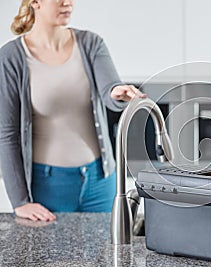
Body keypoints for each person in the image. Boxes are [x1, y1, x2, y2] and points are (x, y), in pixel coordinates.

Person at [0, 0, 146, 221]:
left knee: (106, 254)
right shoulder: (11, 56)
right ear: (35, 2)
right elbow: (7, 134)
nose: (67, 2)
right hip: (47, 186)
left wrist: (119, 93)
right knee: (52, 256)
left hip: (101, 180)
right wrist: (20, 201)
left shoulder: (91, 44)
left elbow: (110, 90)